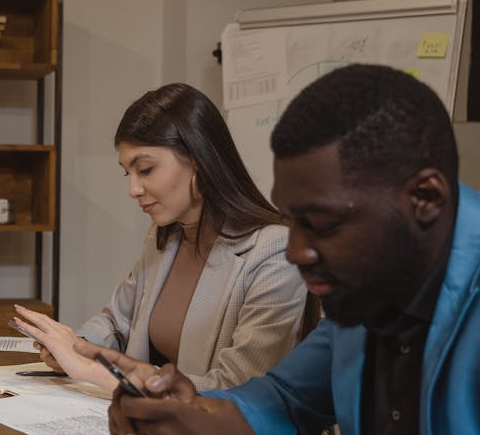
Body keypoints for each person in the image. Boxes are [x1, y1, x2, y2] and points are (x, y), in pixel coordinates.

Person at [26, 64, 480, 435]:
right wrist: (181, 412)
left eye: (322, 224)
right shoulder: (369, 286)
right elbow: (286, 399)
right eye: (293, 221)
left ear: (425, 199)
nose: (295, 252)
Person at [33, 82, 307, 391]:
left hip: (213, 422)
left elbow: (237, 388)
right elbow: (117, 321)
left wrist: (94, 371)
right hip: (153, 417)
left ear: (198, 161)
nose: (133, 189)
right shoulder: (164, 238)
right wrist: (76, 346)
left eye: (145, 169)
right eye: (127, 173)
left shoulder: (274, 251)